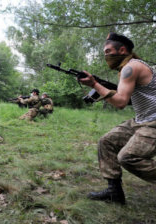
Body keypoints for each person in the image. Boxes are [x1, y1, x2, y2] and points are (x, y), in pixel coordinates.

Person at [78, 32, 156, 205]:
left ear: (122, 50)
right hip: (142, 120)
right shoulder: (127, 68)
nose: (106, 55)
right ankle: (115, 193)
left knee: (128, 157)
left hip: (153, 122)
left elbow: (120, 102)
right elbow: (125, 99)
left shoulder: (131, 67)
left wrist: (94, 85)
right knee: (106, 141)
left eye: (108, 51)